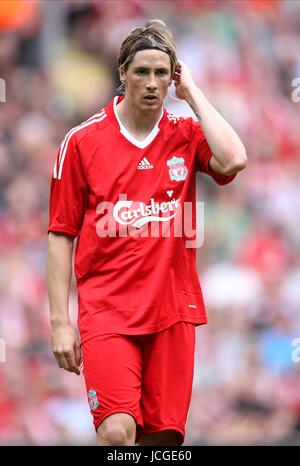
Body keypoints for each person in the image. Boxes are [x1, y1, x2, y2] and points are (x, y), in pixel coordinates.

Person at [46, 19, 247, 446]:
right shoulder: (82, 141)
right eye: (142, 72)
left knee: (163, 444)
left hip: (172, 311)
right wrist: (61, 322)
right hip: (108, 311)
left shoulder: (186, 134)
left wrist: (191, 92)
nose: (152, 83)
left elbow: (233, 160)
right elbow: (61, 233)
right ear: (122, 73)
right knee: (118, 433)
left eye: (162, 73)